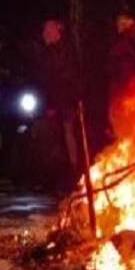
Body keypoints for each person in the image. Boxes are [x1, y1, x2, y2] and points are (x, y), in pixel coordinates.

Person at [32, 19, 82, 182]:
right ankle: (61, 170)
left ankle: (71, 170)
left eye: (48, 31)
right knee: (59, 134)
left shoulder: (63, 52)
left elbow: (62, 78)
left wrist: (56, 102)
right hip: (57, 101)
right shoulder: (50, 52)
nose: (44, 35)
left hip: (64, 101)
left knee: (67, 133)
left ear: (56, 32)